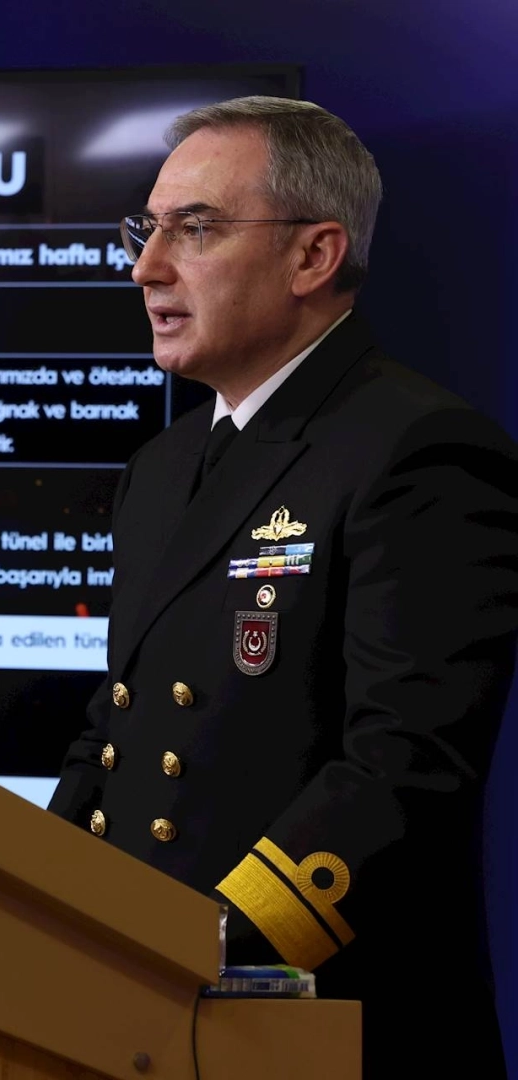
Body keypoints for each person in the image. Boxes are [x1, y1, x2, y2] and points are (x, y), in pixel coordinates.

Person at [48, 97, 518, 1075]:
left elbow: (405, 766)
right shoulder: (162, 468)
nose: (146, 268)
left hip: (316, 1017)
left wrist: (205, 944)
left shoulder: (419, 449)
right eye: (146, 229)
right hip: (143, 1010)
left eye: (195, 229)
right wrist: (30, 907)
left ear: (313, 256)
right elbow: (116, 733)